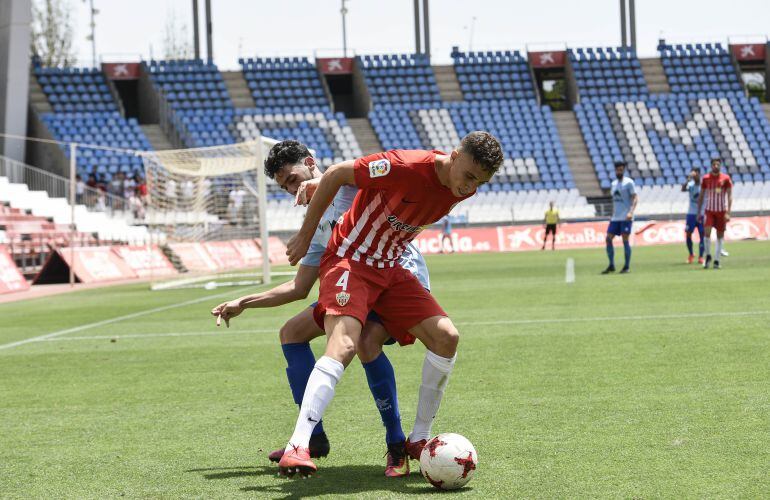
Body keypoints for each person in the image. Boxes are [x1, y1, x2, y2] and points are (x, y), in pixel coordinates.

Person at [277, 131, 503, 477]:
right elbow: (339, 173)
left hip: (390, 267)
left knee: (447, 337)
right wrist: (306, 234)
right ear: (454, 155)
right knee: (346, 343)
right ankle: (298, 445)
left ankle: (418, 438)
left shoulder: (464, 187)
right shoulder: (405, 165)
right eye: (470, 175)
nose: (471, 186)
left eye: (481, 182)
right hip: (350, 259)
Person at [211, 140, 431, 477]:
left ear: (311, 163)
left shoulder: (347, 184)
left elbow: (371, 176)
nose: (291, 189)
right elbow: (300, 288)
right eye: (284, 186)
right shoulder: (317, 226)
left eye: (292, 178)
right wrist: (245, 301)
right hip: (355, 284)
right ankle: (312, 437)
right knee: (292, 333)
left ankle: (396, 444)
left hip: (396, 276)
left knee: (365, 342)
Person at [697, 157, 732, 269]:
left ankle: (717, 260)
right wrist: (698, 212)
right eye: (714, 165)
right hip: (709, 211)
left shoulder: (725, 178)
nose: (716, 166)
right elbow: (701, 195)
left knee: (720, 236)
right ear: (711, 166)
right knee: (706, 233)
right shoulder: (706, 178)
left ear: (720, 165)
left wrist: (728, 212)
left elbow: (730, 195)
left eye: (718, 164)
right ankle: (708, 256)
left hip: (721, 211)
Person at [602, 161, 637, 274]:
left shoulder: (629, 183)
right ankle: (611, 265)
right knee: (608, 239)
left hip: (626, 217)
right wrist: (612, 214)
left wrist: (631, 212)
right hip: (616, 218)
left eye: (621, 170)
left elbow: (635, 198)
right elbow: (614, 201)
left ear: (624, 170)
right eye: (617, 170)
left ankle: (626, 266)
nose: (619, 171)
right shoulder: (613, 184)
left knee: (625, 240)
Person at [681, 167, 705, 264]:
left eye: (696, 173)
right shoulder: (690, 185)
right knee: (688, 234)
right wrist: (688, 179)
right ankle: (691, 254)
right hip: (691, 213)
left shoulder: (704, 185)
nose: (694, 175)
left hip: (702, 213)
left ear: (699, 174)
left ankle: (701, 256)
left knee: (702, 235)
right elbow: (682, 189)